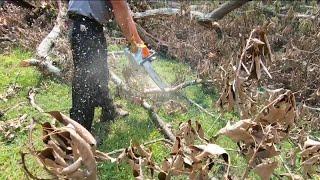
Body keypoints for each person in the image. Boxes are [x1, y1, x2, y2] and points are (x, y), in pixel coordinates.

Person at [68, 0, 150, 135]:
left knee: (101, 73)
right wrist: (132, 41)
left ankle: (109, 111)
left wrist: (139, 42)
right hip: (85, 27)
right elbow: (119, 5)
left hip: (89, 25)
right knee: (85, 84)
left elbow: (125, 11)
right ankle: (80, 134)